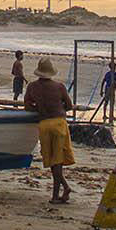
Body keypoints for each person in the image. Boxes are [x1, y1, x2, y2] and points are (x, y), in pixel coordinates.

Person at [23, 57, 74, 204]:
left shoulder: (32, 87)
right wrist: (58, 108)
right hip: (59, 123)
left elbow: (27, 105)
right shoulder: (59, 87)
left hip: (44, 123)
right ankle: (60, 191)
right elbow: (69, 106)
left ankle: (60, 192)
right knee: (57, 161)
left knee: (53, 161)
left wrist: (39, 108)